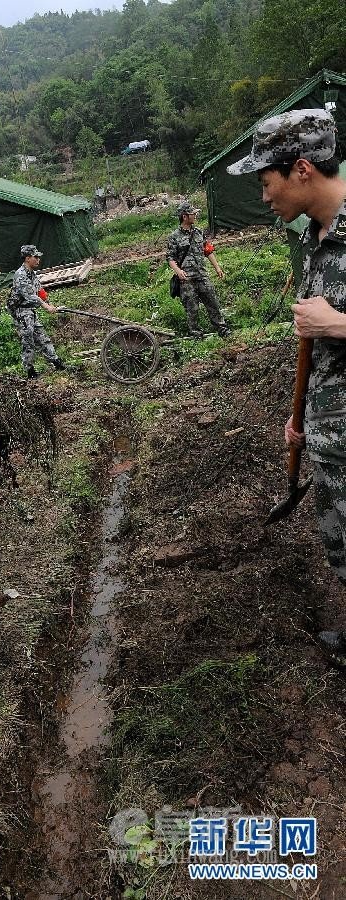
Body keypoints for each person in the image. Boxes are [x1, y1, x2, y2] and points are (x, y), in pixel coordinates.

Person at [227, 108, 346, 662]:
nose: (264, 196)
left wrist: (339, 324)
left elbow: (329, 327)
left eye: (265, 180)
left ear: (301, 169)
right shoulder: (314, 238)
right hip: (330, 435)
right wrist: (303, 416)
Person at [166, 201, 230, 338]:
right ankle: (195, 333)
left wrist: (217, 268)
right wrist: (178, 271)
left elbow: (208, 250)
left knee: (212, 302)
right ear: (184, 217)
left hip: (202, 275)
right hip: (187, 279)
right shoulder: (174, 237)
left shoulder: (199, 232)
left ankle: (222, 328)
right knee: (191, 307)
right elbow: (170, 258)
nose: (195, 215)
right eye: (192, 213)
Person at [7, 244, 65, 378]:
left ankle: (56, 362)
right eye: (35, 257)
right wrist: (46, 307)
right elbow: (30, 296)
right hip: (21, 311)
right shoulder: (20, 275)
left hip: (30, 310)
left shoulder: (32, 273)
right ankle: (30, 371)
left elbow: (39, 290)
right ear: (27, 258)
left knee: (42, 337)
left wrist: (49, 303)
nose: (38, 259)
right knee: (28, 341)